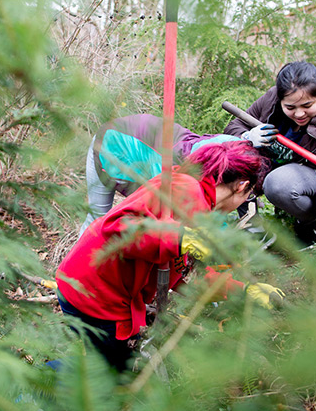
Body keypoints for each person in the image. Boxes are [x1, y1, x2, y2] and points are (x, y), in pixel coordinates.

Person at [56, 141, 285, 372]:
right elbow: (117, 227)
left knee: (113, 364)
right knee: (107, 372)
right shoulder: (185, 189)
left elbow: (186, 275)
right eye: (249, 195)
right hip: (95, 291)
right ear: (242, 186)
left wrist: (242, 290)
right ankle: (33, 387)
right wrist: (176, 237)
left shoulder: (199, 202)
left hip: (97, 287)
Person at [224, 61, 316, 295]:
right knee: (234, 152)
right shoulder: (272, 99)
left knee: (279, 184)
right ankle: (254, 226)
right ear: (280, 99)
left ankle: (309, 223)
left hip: (313, 180)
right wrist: (246, 136)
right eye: (290, 107)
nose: (299, 113)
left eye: (307, 105)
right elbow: (236, 125)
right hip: (277, 164)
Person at [80, 113, 240, 236]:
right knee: (97, 221)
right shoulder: (179, 176)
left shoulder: (215, 155)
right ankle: (69, 275)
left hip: (141, 144)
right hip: (110, 146)